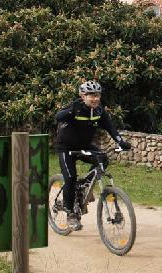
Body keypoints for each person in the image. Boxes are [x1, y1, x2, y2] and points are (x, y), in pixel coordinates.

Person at [54, 80, 132, 230]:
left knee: (102, 159)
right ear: (83, 96)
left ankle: (83, 186)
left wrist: (120, 141)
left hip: (84, 145)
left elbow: (110, 127)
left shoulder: (99, 111)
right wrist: (71, 111)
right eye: (91, 95)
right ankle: (70, 213)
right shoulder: (75, 108)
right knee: (70, 178)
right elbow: (58, 117)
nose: (95, 98)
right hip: (66, 147)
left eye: (97, 95)